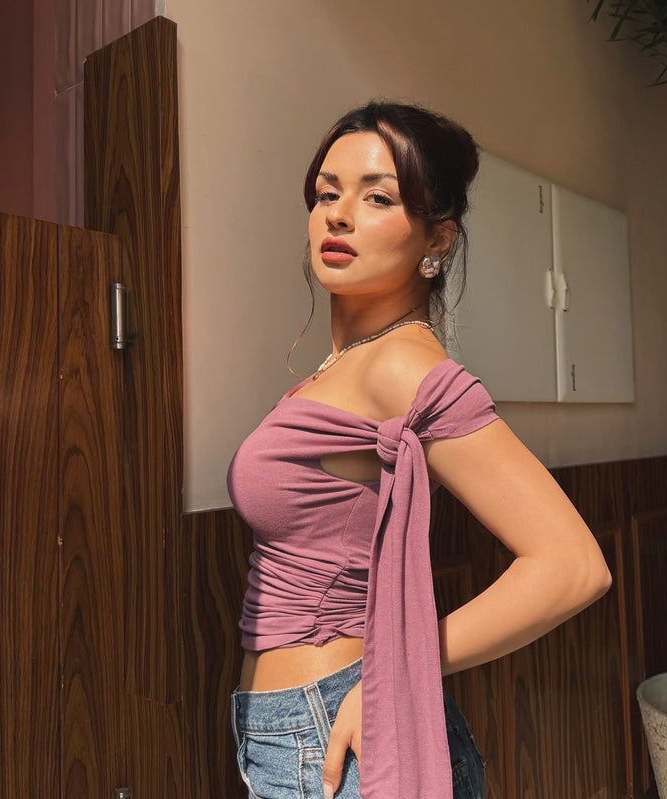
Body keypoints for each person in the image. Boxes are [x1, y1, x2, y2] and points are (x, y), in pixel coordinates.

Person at [227, 101, 612, 799]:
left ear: (438, 237)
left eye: (378, 197)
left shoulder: (402, 365)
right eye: (327, 193)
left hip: (334, 732)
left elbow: (572, 566)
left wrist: (394, 674)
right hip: (296, 730)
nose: (338, 216)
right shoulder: (349, 365)